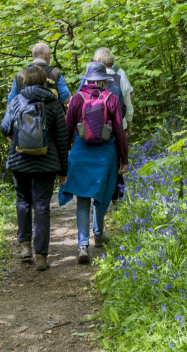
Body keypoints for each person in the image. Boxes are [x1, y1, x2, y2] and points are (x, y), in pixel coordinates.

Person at [0, 65, 70, 271]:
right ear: (44, 82)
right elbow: (62, 138)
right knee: (41, 206)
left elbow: (4, 127)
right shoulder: (53, 102)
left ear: (25, 82)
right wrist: (63, 171)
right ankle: (41, 256)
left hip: (19, 160)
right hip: (46, 162)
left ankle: (25, 247)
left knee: (22, 202)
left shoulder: (15, 101)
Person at [59, 61, 129, 264]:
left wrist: (63, 160)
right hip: (105, 154)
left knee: (82, 199)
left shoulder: (76, 99)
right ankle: (98, 235)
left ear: (87, 79)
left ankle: (82, 245)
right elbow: (119, 132)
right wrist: (123, 159)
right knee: (101, 194)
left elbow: (67, 131)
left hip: (81, 152)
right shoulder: (111, 98)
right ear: (104, 82)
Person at [76, 48, 135, 202]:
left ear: (100, 62)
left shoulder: (87, 78)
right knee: (115, 163)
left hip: (90, 128)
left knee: (95, 161)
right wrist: (128, 122)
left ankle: (96, 196)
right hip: (116, 126)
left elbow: (77, 102)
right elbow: (129, 100)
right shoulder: (120, 75)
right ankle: (117, 199)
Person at [7, 43, 72, 109]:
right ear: (47, 55)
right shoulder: (55, 73)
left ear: (33, 56)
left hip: (26, 117)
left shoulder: (20, 76)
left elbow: (10, 103)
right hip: (51, 117)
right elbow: (66, 99)